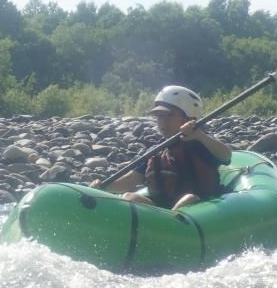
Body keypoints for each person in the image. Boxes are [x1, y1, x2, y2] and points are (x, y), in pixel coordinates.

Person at [91, 85, 232, 210]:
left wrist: (200, 136)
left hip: (199, 209)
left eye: (169, 116)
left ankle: (174, 226)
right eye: (159, 117)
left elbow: (226, 156)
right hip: (162, 212)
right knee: (129, 197)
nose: (162, 122)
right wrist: (103, 187)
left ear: (189, 118)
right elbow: (131, 180)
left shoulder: (200, 144)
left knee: (189, 199)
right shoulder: (156, 152)